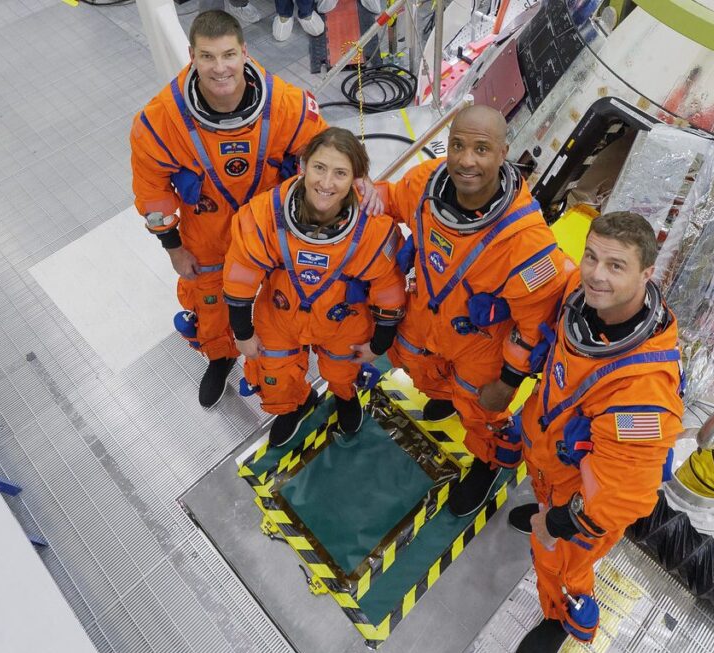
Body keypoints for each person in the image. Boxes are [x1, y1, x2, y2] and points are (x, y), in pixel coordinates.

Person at [508, 211, 684, 653]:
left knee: (560, 562)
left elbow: (624, 496)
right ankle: (545, 515)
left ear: (647, 274)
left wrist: (563, 523)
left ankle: (562, 612)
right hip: (549, 466)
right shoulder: (579, 302)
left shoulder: (643, 391)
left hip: (581, 505)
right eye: (591, 257)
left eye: (615, 266)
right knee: (545, 514)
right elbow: (537, 258)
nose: (596, 274)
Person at [378, 105, 571, 517]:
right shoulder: (425, 184)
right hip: (426, 319)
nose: (466, 160)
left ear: (503, 154)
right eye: (458, 145)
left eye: (482, 149)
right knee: (418, 365)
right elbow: (389, 200)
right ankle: (443, 397)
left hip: (481, 348)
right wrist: (339, 190)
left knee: (482, 412)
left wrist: (508, 380)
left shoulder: (528, 244)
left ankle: (486, 463)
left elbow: (534, 326)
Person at [130, 10, 329, 407]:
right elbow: (152, 190)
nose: (219, 68)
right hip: (206, 234)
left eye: (227, 55)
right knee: (210, 300)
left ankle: (281, 378)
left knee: (281, 305)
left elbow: (322, 156)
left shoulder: (286, 104)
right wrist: (173, 248)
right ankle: (220, 357)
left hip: (271, 230)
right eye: (207, 56)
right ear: (192, 55)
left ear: (244, 52)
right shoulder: (160, 120)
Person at [223, 128, 405, 446]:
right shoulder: (266, 214)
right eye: (319, 168)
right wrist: (242, 333)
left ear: (356, 180)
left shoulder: (374, 230)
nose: (325, 183)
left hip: (342, 321)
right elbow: (240, 278)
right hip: (280, 315)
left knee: (342, 372)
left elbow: (389, 292)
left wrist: (378, 344)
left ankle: (345, 396)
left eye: (340, 173)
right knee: (274, 376)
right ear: (303, 166)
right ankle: (294, 405)